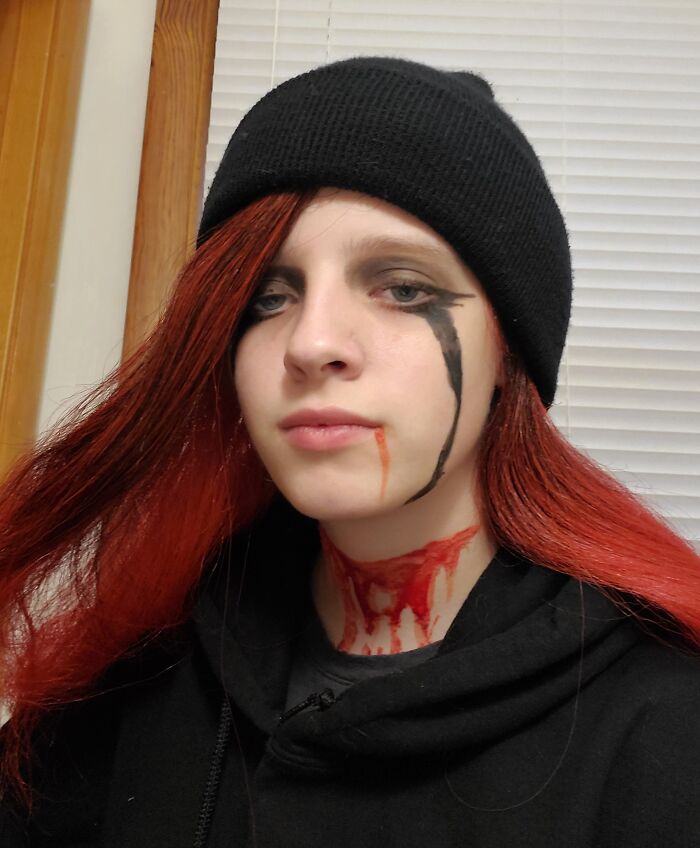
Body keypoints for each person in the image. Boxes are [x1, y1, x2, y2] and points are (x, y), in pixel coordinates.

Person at [1, 55, 699, 848]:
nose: (311, 342)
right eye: (268, 297)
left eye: (403, 288)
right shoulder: (130, 684)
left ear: (510, 355)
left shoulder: (665, 729)